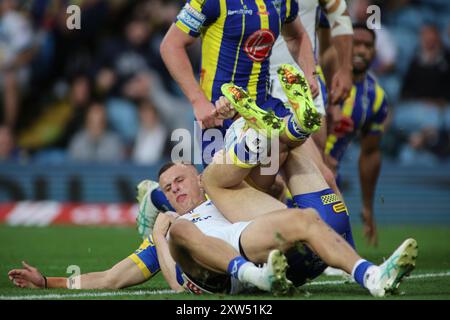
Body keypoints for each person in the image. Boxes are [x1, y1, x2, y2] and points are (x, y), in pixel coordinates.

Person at [323, 23, 389, 246]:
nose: (360, 50)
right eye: (355, 44)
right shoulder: (320, 79)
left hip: (331, 182)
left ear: (374, 52)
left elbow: (370, 153)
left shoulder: (376, 98)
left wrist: (368, 206)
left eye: (367, 45)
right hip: (295, 173)